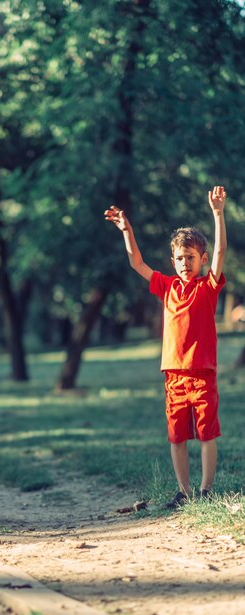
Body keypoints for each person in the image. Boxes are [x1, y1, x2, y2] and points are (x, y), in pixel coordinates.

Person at [104, 187, 227, 508]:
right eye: (179, 258)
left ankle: (206, 490)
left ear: (201, 259)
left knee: (206, 435)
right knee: (176, 437)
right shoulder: (168, 285)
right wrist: (127, 231)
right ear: (172, 260)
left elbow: (220, 255)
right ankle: (184, 492)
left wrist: (217, 214)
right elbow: (136, 263)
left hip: (202, 375)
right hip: (174, 376)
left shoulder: (208, 287)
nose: (185, 263)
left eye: (191, 257)